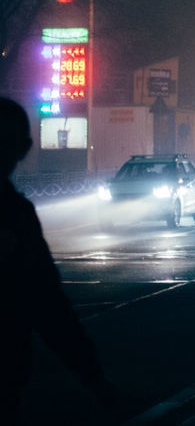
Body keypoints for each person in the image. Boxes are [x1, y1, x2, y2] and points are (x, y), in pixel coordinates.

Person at [1, 97, 116, 419]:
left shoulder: (16, 212)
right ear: (25, 149)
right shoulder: (15, 213)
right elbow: (46, 301)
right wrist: (91, 375)